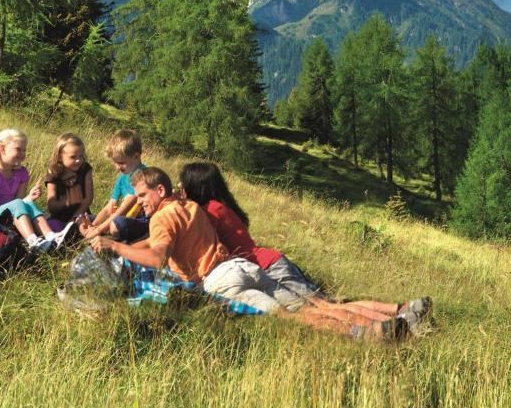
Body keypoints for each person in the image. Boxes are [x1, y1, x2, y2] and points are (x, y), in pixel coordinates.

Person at [90, 167, 407, 341]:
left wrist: (115, 246)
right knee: (313, 303)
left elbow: (159, 256)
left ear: (160, 191)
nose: (140, 203)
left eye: (143, 196)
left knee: (296, 317)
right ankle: (380, 323)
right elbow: (167, 242)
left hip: (222, 282)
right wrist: (128, 244)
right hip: (241, 266)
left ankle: (365, 336)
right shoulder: (189, 206)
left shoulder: (161, 217)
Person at [178, 161, 431, 333]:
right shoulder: (222, 206)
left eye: (184, 184)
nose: (181, 189)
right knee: (328, 303)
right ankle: (401, 312)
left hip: (266, 267)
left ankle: (397, 322)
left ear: (195, 187)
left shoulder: (208, 211)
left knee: (325, 307)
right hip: (271, 261)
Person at [0, 128, 62, 253]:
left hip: (10, 213)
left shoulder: (22, 173)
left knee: (28, 203)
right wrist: (1, 227)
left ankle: (51, 236)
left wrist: (29, 198)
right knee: (19, 204)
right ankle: (33, 241)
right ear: (2, 149)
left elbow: (19, 201)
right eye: (18, 149)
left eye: (24, 150)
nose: (22, 154)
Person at [81, 129, 148, 242]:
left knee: (116, 225)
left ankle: (109, 238)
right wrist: (93, 225)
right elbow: (109, 208)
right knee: (82, 218)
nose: (117, 167)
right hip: (123, 218)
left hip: (141, 221)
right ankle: (97, 232)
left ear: (136, 156)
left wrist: (98, 230)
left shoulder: (143, 176)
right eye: (115, 163)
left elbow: (123, 209)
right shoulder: (122, 177)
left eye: (121, 163)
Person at [43, 132, 93, 234]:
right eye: (73, 157)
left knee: (84, 226)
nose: (78, 160)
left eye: (81, 156)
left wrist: (76, 217)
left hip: (80, 214)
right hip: (59, 217)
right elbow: (51, 206)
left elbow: (88, 198)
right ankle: (62, 237)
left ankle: (77, 234)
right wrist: (66, 201)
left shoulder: (85, 169)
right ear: (60, 156)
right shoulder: (54, 173)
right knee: (50, 227)